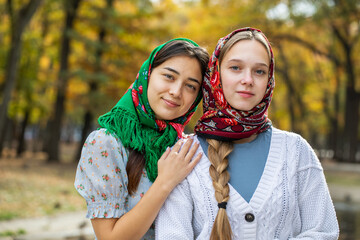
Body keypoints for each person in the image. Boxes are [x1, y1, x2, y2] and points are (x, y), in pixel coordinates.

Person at [155, 28, 339, 239]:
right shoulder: (184, 153)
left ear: (269, 81)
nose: (248, 79)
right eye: (235, 68)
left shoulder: (296, 151)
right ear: (216, 74)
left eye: (259, 71)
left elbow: (323, 231)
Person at [74, 38, 209, 240]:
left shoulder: (189, 148)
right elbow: (110, 238)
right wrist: (165, 182)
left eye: (190, 86)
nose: (176, 92)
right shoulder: (107, 143)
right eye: (169, 76)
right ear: (147, 75)